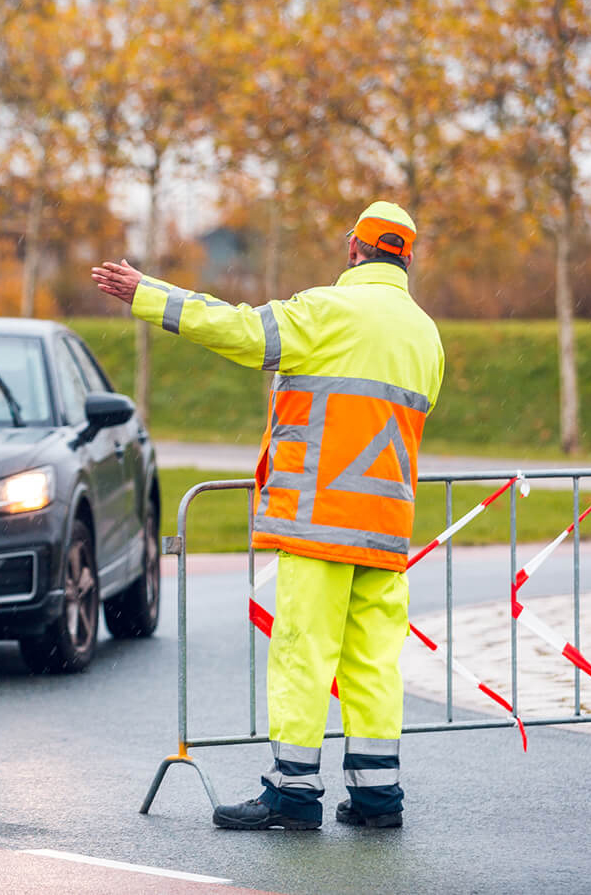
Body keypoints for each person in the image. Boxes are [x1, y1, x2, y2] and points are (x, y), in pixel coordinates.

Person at [91, 201, 443, 831]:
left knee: (302, 655)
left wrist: (150, 295)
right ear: (407, 258)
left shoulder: (327, 310)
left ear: (353, 248)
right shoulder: (425, 334)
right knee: (371, 664)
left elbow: (239, 331)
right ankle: (377, 797)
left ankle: (293, 793)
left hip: (318, 520)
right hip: (386, 526)